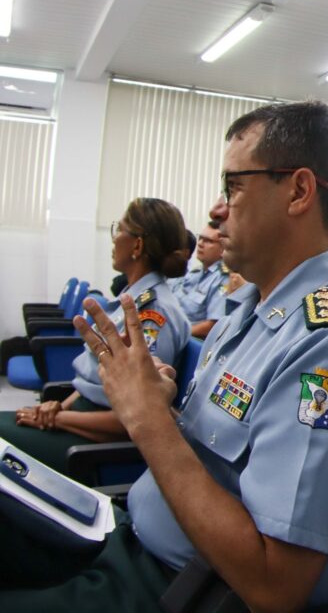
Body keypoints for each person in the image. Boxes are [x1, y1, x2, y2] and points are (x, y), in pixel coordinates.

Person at [0, 101, 328, 611]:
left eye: (233, 186)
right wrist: (158, 405)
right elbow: (214, 461)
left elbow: (274, 586)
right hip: (134, 536)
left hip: (183, 589)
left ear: (299, 192)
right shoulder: (248, 313)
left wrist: (147, 419)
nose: (217, 211)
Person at [0, 198, 191, 474]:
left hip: (97, 445)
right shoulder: (131, 299)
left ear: (137, 246)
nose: (113, 239)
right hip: (80, 418)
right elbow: (94, 382)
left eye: (119, 229)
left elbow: (140, 417)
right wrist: (57, 407)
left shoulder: (152, 312)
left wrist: (59, 419)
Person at [172, 221, 230, 338]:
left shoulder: (223, 280)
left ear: (222, 249)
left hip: (190, 340)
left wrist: (178, 335)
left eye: (208, 241)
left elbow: (213, 325)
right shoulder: (195, 273)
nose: (200, 244)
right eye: (201, 238)